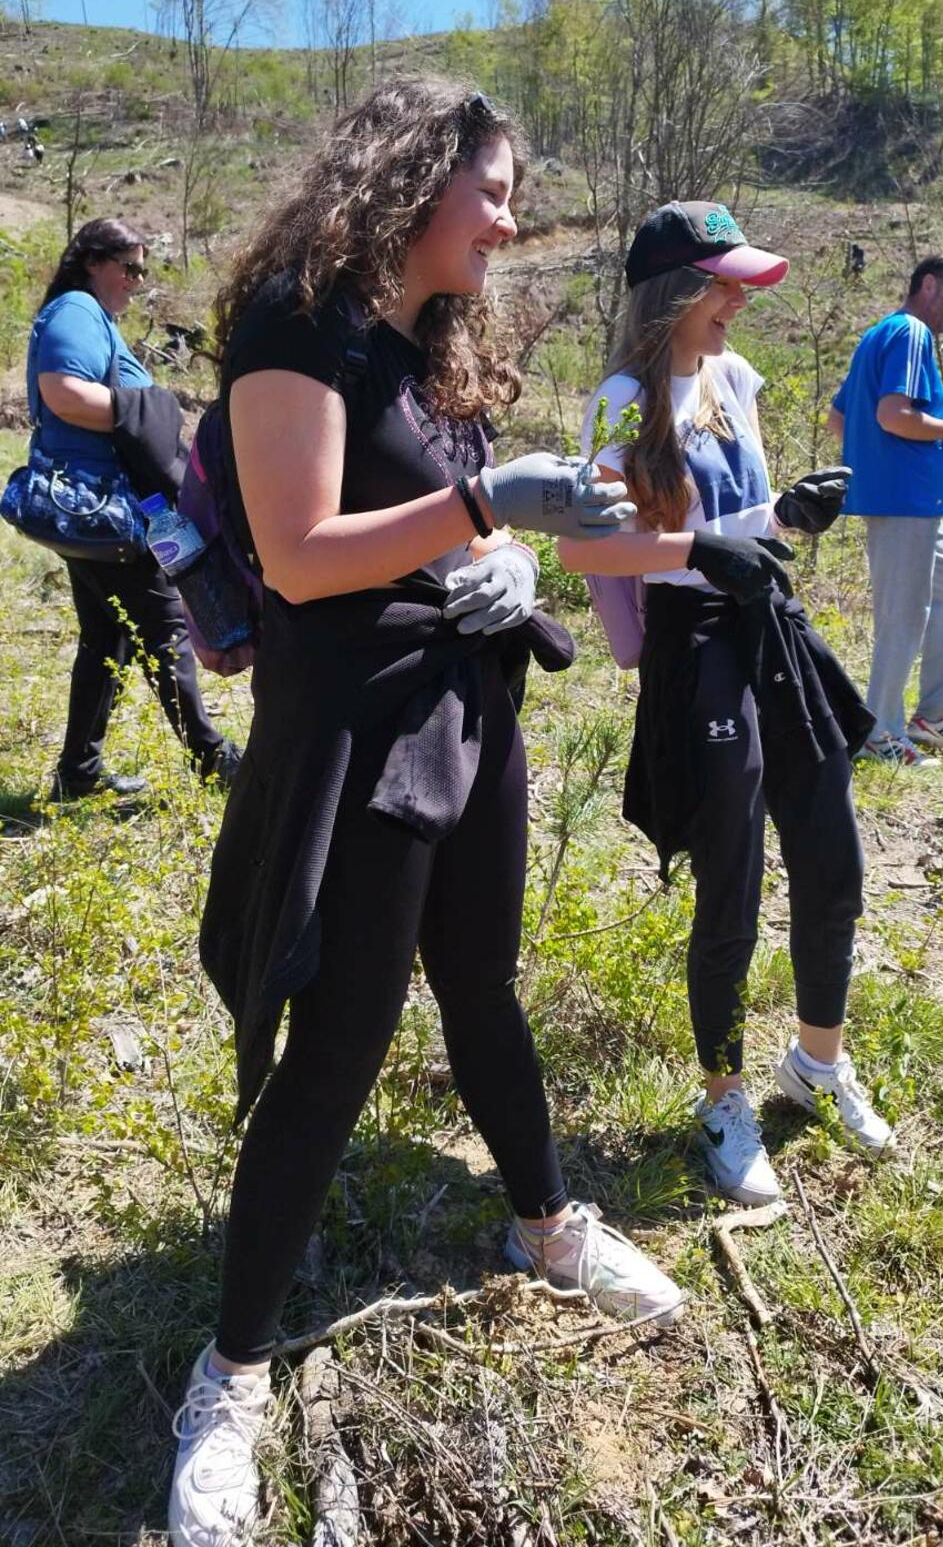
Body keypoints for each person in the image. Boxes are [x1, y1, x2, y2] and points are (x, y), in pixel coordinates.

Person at [169, 82, 749, 1547]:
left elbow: (510, 528)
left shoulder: (431, 352)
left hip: (468, 703)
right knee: (346, 1036)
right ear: (413, 181)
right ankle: (226, 1380)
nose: (509, 216)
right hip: (363, 729)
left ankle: (545, 1218)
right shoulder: (297, 327)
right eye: (491, 188)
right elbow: (303, 557)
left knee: (480, 974)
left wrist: (604, 540)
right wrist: (488, 510)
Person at [560, 200, 892, 1215]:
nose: (738, 301)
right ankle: (721, 1101)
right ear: (670, 292)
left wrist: (781, 515)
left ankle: (816, 1064)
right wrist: (696, 550)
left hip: (769, 626)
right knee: (732, 888)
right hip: (693, 647)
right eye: (722, 285)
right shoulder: (623, 399)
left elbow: (733, 522)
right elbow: (583, 546)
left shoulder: (735, 379)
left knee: (832, 857)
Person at [25, 219, 239, 800]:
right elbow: (63, 392)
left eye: (144, 269)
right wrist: (151, 408)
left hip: (92, 509)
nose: (139, 281)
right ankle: (216, 761)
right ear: (94, 261)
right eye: (131, 267)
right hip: (102, 509)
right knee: (167, 627)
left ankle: (78, 772)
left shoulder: (95, 317)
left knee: (107, 639)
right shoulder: (76, 308)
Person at [828, 254, 943, 766]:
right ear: (927, 285)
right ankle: (879, 732)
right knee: (902, 616)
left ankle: (933, 716)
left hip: (910, 505)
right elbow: (892, 414)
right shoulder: (912, 335)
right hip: (904, 504)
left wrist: (877, 460)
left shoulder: (879, 335)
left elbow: (839, 419)